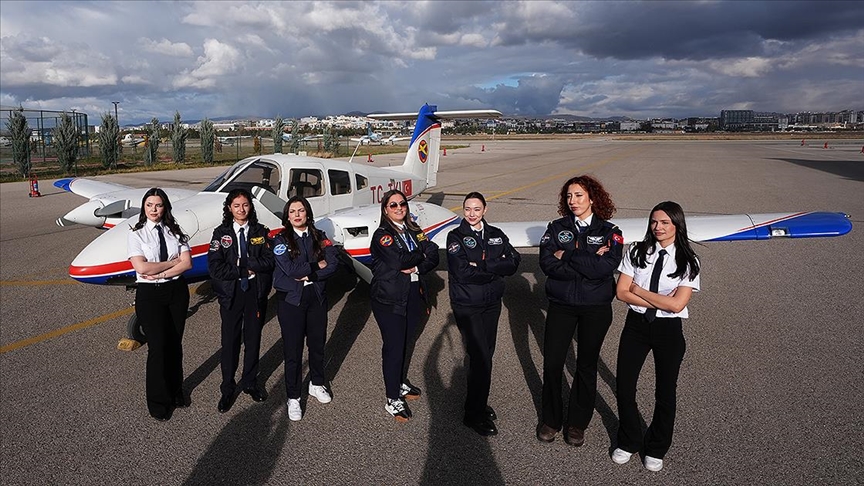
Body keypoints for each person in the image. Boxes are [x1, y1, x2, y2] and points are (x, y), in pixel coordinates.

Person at [611, 201, 701, 472]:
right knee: (625, 386)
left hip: (668, 330)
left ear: (677, 225)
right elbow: (621, 292)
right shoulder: (636, 251)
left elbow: (678, 305)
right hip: (636, 326)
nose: (658, 227)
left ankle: (657, 446)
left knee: (665, 392)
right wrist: (661, 300)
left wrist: (639, 291)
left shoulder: (688, 260)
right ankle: (629, 440)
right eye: (654, 222)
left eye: (665, 222)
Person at [537, 175, 624, 445]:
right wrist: (588, 263)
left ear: (592, 199)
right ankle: (551, 419)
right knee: (552, 363)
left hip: (595, 308)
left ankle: (577, 423)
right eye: (568, 196)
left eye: (578, 195)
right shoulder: (556, 228)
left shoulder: (610, 231)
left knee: (586, 365)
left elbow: (605, 268)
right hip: (561, 306)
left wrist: (568, 255)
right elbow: (547, 264)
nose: (572, 201)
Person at [446, 192, 521, 436]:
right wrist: (497, 268)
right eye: (467, 209)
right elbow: (462, 272)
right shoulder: (455, 237)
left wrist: (483, 265)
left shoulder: (496, 234)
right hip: (467, 305)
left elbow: (514, 262)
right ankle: (472, 415)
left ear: (485, 210)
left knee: (487, 354)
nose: (472, 214)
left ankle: (478, 402)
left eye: (477, 209)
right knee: (480, 357)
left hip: (491, 303)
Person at [370, 190, 439, 422]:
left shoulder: (414, 230)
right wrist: (421, 253)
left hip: (412, 294)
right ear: (385, 209)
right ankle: (392, 398)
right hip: (389, 299)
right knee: (394, 346)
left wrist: (418, 265)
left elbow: (434, 254)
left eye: (402, 204)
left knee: (406, 342)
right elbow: (398, 261)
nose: (399, 208)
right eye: (393, 205)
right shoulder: (383, 236)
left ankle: (399, 382)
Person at [127, 188, 193, 422]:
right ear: (144, 208)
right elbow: (142, 267)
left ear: (165, 207)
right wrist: (172, 263)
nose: (154, 209)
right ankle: (158, 401)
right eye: (149, 205)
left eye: (158, 205)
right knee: (157, 347)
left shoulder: (176, 232)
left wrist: (163, 271)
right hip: (150, 295)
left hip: (176, 291)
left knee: (175, 344)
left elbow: (187, 264)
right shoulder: (137, 235)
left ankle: (176, 392)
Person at [272, 196, 339, 421]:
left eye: (301, 210)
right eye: (292, 211)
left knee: (317, 344)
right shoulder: (280, 240)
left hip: (316, 297)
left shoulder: (320, 236)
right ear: (287, 216)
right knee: (293, 350)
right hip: (292, 300)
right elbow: (291, 270)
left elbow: (333, 263)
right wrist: (316, 265)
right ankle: (293, 396)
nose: (297, 215)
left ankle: (317, 383)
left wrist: (310, 275)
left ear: (307, 213)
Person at [207, 188, 274, 413]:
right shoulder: (220, 233)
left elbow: (269, 261)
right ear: (229, 208)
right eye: (236, 206)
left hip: (254, 292)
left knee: (253, 339)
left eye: (245, 205)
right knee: (230, 342)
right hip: (231, 293)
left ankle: (250, 382)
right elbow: (215, 267)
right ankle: (227, 388)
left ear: (251, 207)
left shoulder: (260, 231)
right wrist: (241, 269)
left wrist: (244, 262)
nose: (241, 209)